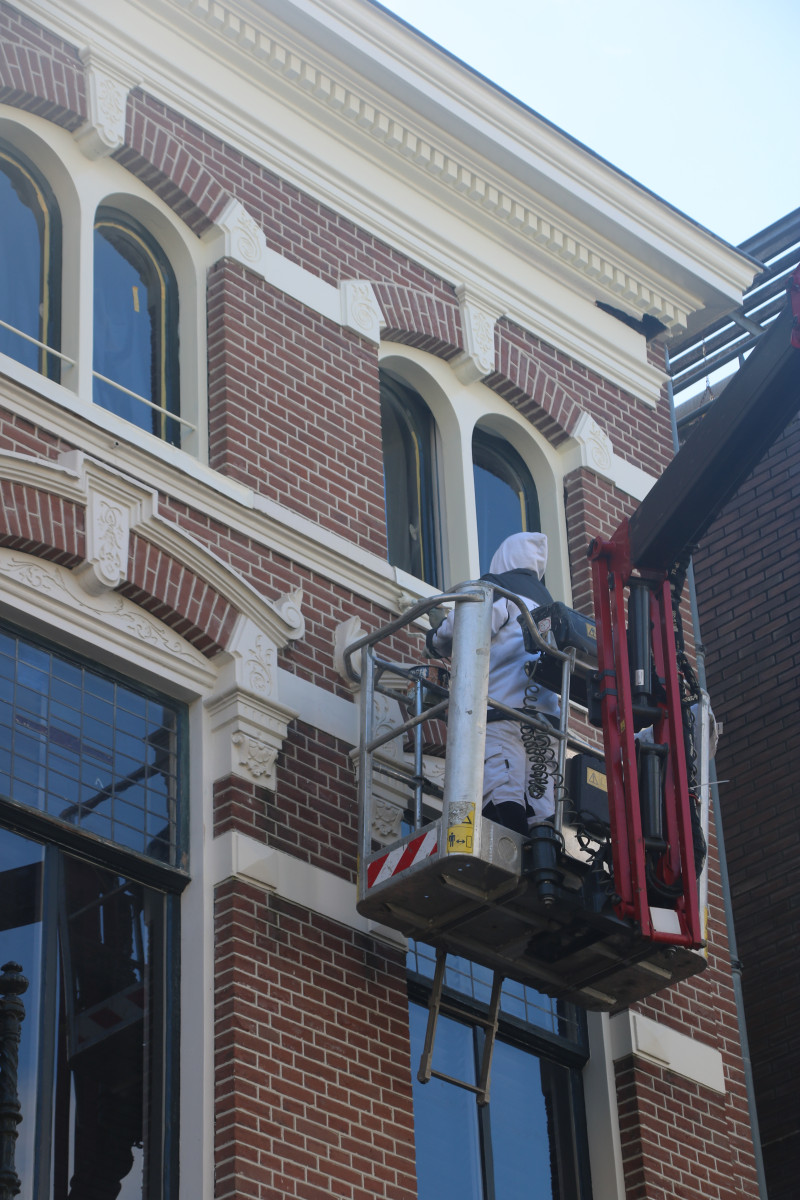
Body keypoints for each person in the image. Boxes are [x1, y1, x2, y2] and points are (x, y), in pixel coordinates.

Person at [427, 532, 560, 835]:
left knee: (503, 784)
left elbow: (466, 624)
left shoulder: (499, 587)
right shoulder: (551, 606)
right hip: (547, 722)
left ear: (505, 558)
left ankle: (507, 847)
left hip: (505, 713)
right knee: (540, 796)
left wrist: (433, 641)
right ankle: (543, 863)